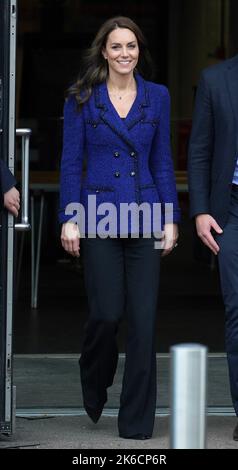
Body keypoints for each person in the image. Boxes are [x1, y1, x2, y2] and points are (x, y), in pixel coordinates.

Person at [59, 16, 180, 440]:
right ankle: (93, 375)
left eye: (131, 46)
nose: (124, 54)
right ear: (104, 52)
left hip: (146, 214)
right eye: (116, 47)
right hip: (99, 217)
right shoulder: (82, 98)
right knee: (107, 315)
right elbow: (72, 164)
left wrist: (170, 217)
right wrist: (70, 218)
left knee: (144, 324)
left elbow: (162, 160)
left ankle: (135, 426)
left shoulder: (157, 97)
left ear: (139, 51)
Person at [188, 54, 238, 441]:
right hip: (232, 209)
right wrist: (201, 209)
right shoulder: (215, 79)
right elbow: (200, 149)